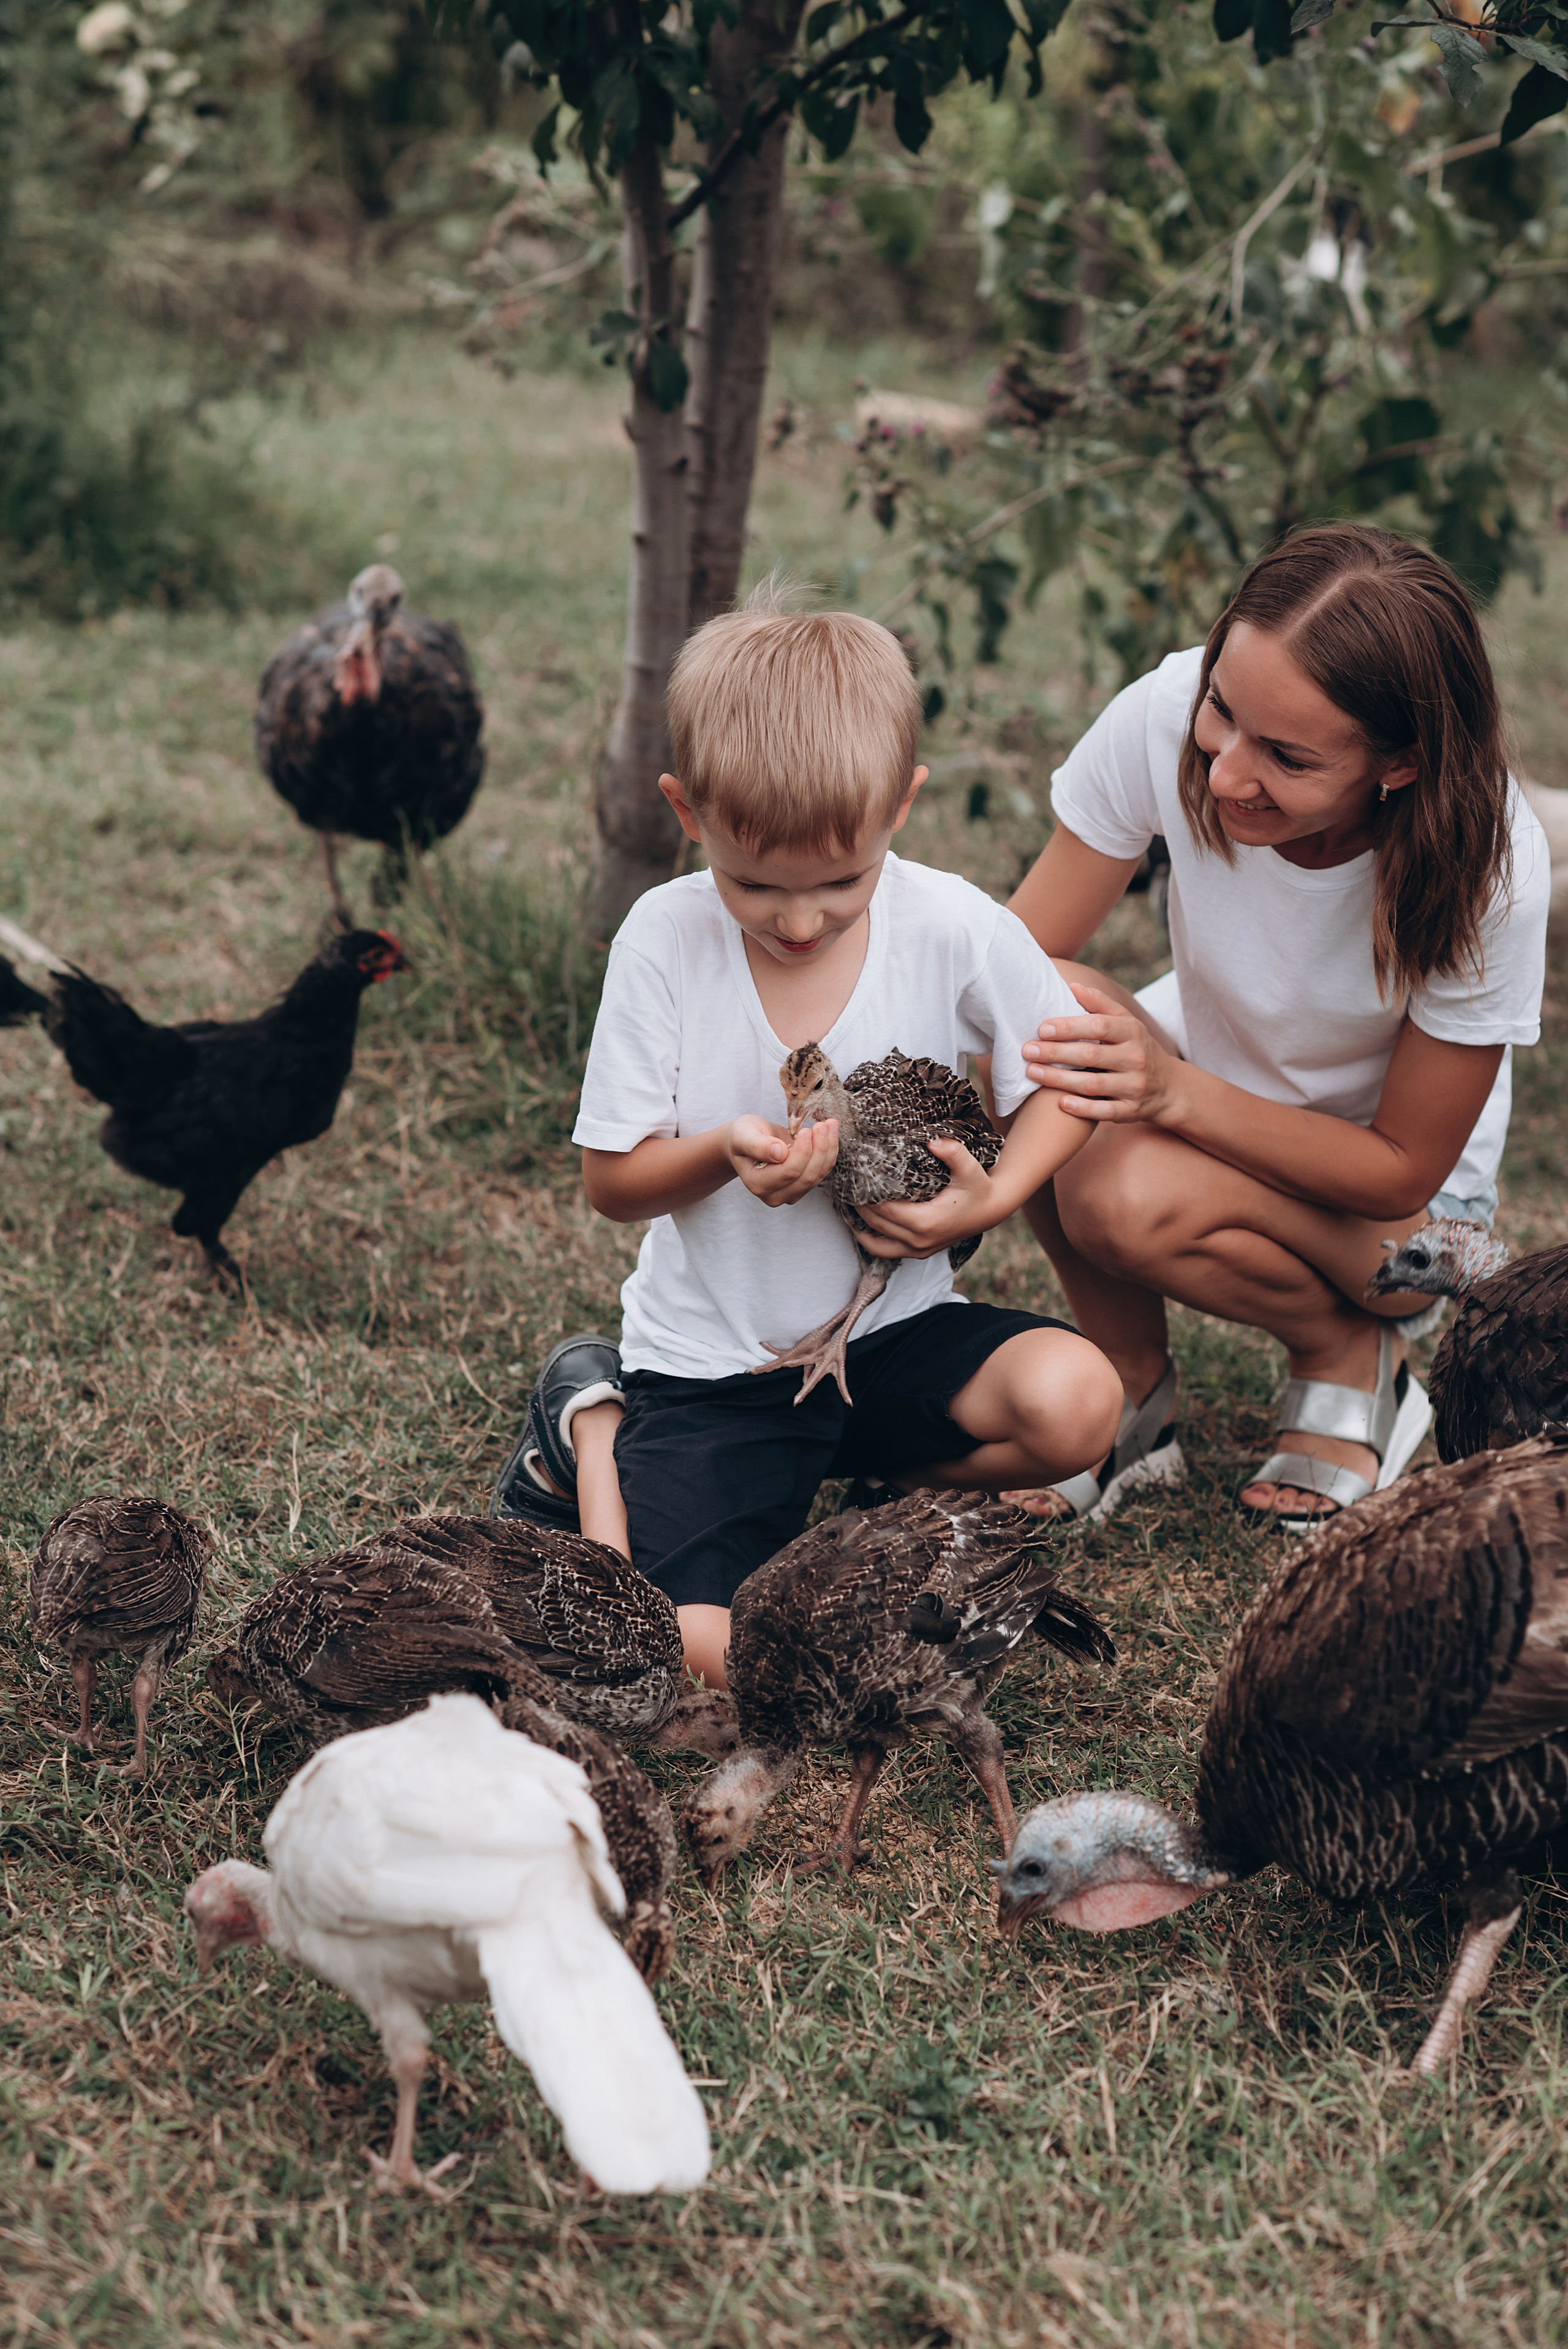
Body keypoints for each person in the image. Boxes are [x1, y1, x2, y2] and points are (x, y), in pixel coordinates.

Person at [494, 596, 1123, 1682]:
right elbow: (612, 1180)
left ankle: (842, 1472)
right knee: (676, 1647)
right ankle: (592, 1416)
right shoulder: (664, 938)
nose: (797, 922)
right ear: (687, 812)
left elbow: (1065, 1084)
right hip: (718, 1368)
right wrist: (720, 1152)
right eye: (755, 885)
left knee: (1081, 1406)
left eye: (842, 882)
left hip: (893, 1334)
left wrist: (990, 1196)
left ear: (902, 807)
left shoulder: (954, 922)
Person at [1003, 523, 1550, 1532]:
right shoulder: (1171, 714)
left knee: (1121, 1196)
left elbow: (1398, 1170)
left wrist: (1171, 1094)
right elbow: (1010, 960)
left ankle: (1351, 1356)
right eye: (1224, 709)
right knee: (1032, 1014)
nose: (1223, 773)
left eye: (1288, 758)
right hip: (1213, 1095)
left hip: (1413, 1233)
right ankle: (1131, 1393)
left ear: (1400, 765)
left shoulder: (1490, 867)